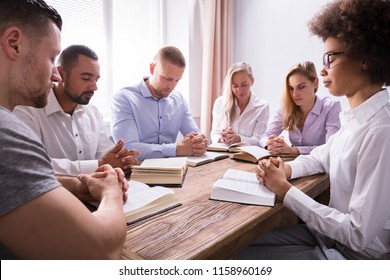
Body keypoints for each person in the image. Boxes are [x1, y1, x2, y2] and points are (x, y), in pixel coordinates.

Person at [236, 0, 390, 260]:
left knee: (240, 261)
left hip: (357, 256)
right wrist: (285, 168)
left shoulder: (381, 130)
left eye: (330, 57)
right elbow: (320, 156)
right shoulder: (355, 120)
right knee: (238, 251)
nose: (323, 68)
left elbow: (357, 233)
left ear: (365, 58)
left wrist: (285, 189)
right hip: (331, 237)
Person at [0, 0, 128, 259]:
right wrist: (111, 191)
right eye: (50, 58)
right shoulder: (7, 132)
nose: (55, 75)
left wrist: (75, 186)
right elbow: (100, 253)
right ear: (14, 44)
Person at [13, 44, 139, 176]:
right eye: (86, 78)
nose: (94, 87)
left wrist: (122, 159)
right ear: (61, 73)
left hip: (96, 190)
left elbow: (104, 152)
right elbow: (32, 163)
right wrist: (99, 164)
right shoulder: (27, 111)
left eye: (96, 79)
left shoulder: (94, 113)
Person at [111, 46, 208, 161]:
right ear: (152, 69)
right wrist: (176, 149)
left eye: (177, 80)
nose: (171, 86)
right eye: (167, 78)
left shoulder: (179, 100)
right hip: (135, 171)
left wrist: (199, 143)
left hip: (173, 169)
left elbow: (196, 135)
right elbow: (128, 148)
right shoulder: (124, 98)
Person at [259, 61, 341, 155]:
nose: (294, 94)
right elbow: (264, 136)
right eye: (291, 88)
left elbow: (331, 148)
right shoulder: (286, 106)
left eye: (301, 87)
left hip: (320, 166)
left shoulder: (331, 107)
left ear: (315, 83)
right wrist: (270, 144)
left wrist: (293, 150)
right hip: (292, 162)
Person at [210, 62, 269, 146]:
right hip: (223, 153)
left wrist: (238, 138)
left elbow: (259, 140)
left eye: (244, 85)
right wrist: (223, 138)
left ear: (252, 81)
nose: (239, 90)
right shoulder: (220, 103)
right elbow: (214, 134)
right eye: (235, 86)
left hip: (247, 156)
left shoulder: (262, 107)